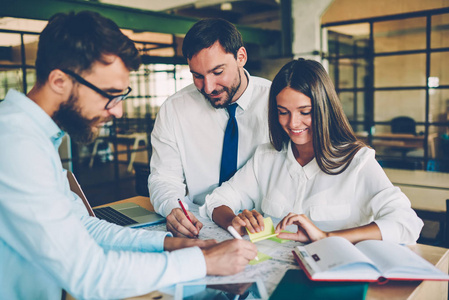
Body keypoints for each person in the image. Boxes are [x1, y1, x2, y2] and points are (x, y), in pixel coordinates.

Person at [0, 11, 257, 300]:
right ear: (59, 81)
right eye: (109, 94)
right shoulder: (14, 144)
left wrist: (169, 245)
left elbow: (83, 225)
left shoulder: (31, 136)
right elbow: (89, 275)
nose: (118, 110)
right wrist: (204, 262)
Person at [200, 58, 423, 245]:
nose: (293, 123)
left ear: (324, 109)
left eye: (305, 111)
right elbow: (217, 200)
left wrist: (326, 237)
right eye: (283, 112)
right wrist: (233, 221)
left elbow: (407, 223)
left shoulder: (357, 162)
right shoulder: (266, 157)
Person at [149, 18, 271, 238]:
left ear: (241, 57)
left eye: (217, 72)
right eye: (197, 75)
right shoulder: (174, 109)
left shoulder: (277, 103)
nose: (208, 87)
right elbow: (164, 177)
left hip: (261, 227)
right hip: (199, 223)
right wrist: (173, 209)